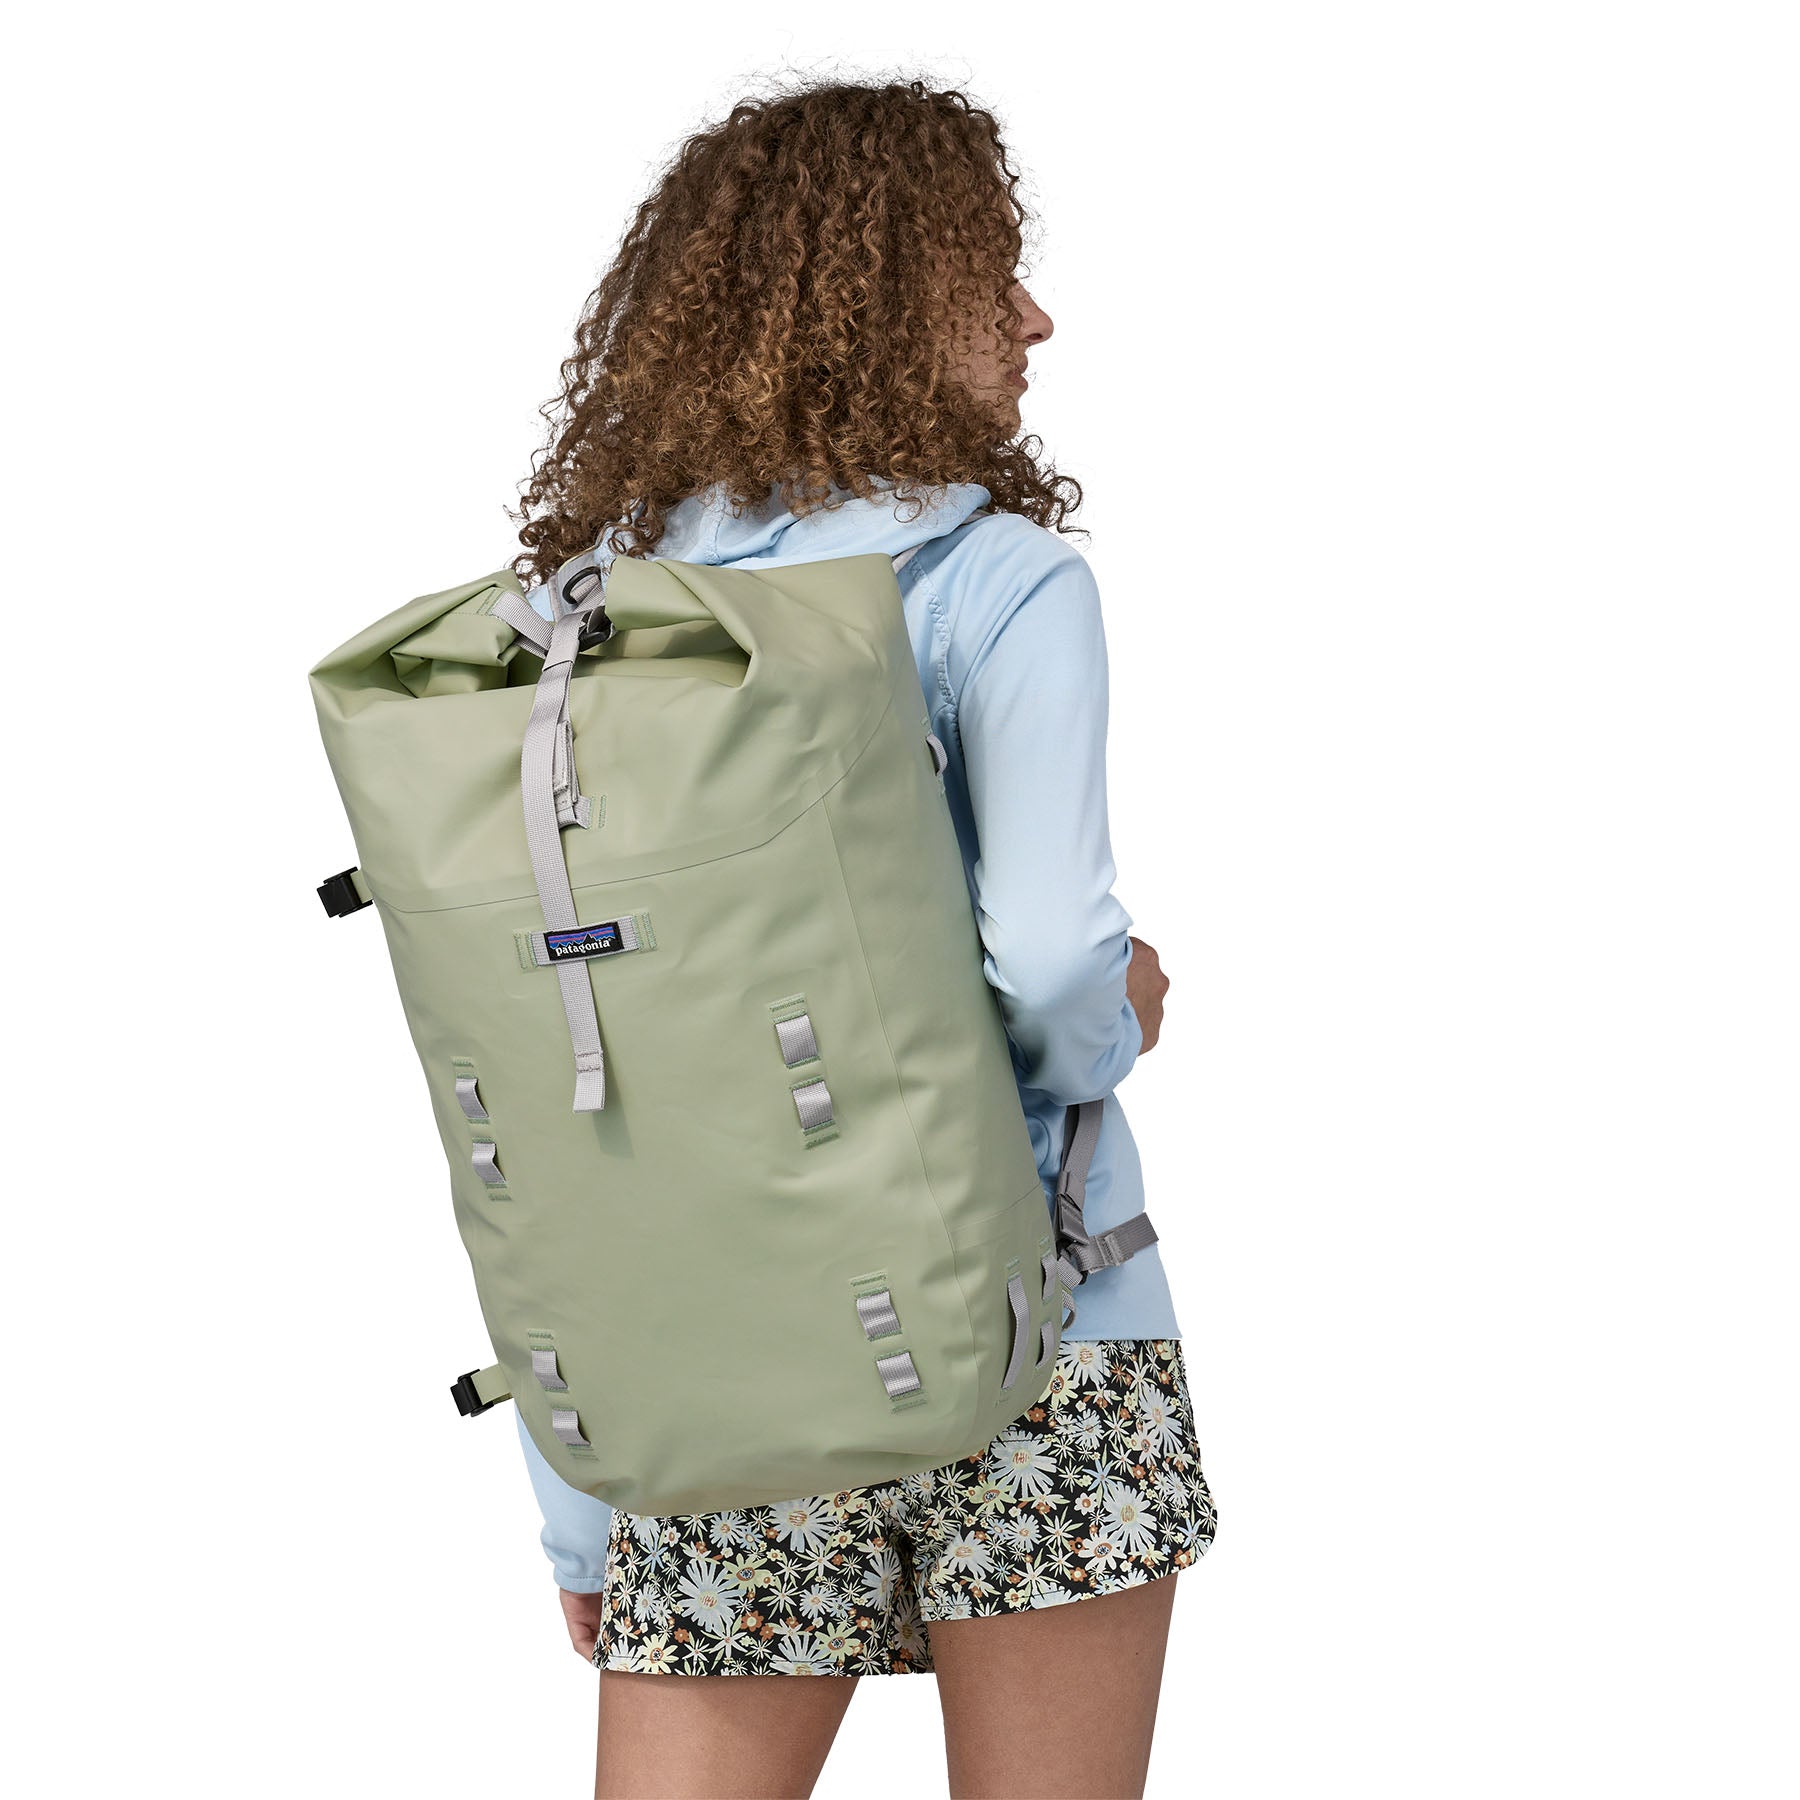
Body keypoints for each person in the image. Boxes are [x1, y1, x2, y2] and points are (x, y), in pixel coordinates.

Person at [508, 74, 1218, 1800]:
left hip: (717, 1363)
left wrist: (584, 1503)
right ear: (886, 300)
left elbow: (546, 1090)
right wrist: (1116, 1016)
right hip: (1039, 1325)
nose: (1035, 319)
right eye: (992, 273)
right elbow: (1053, 960)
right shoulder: (999, 582)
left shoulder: (591, 623)